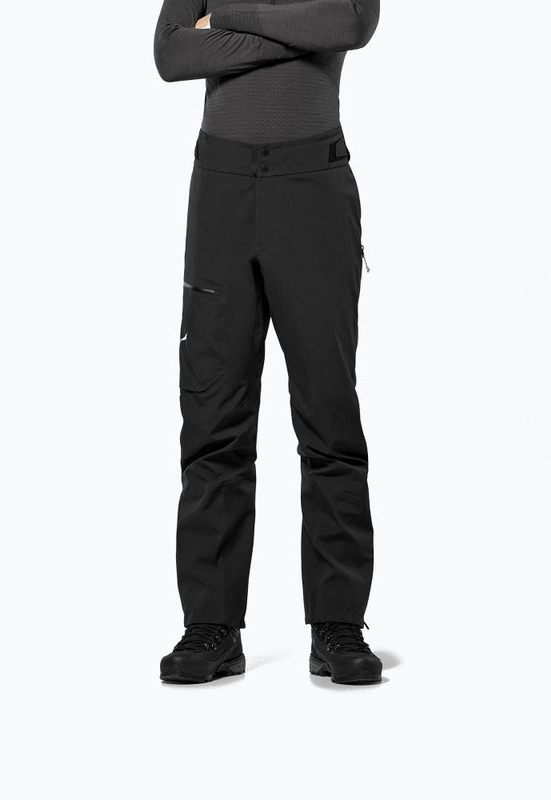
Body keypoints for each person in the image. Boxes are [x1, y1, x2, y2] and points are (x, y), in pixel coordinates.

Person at [153, 0, 382, 685]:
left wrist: (225, 17)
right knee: (213, 409)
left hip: (313, 183)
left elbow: (350, 25)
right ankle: (212, 627)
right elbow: (171, 55)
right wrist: (294, 34)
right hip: (222, 185)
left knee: (327, 410)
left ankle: (338, 624)